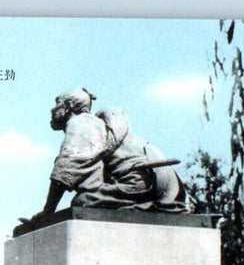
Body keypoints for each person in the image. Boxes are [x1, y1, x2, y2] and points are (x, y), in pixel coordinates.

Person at [39, 89, 193, 215]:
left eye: (57, 103)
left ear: (68, 106)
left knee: (84, 201)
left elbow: (66, 166)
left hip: (134, 183)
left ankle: (141, 205)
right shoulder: (95, 123)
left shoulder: (80, 123)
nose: (52, 110)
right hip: (147, 182)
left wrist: (47, 212)